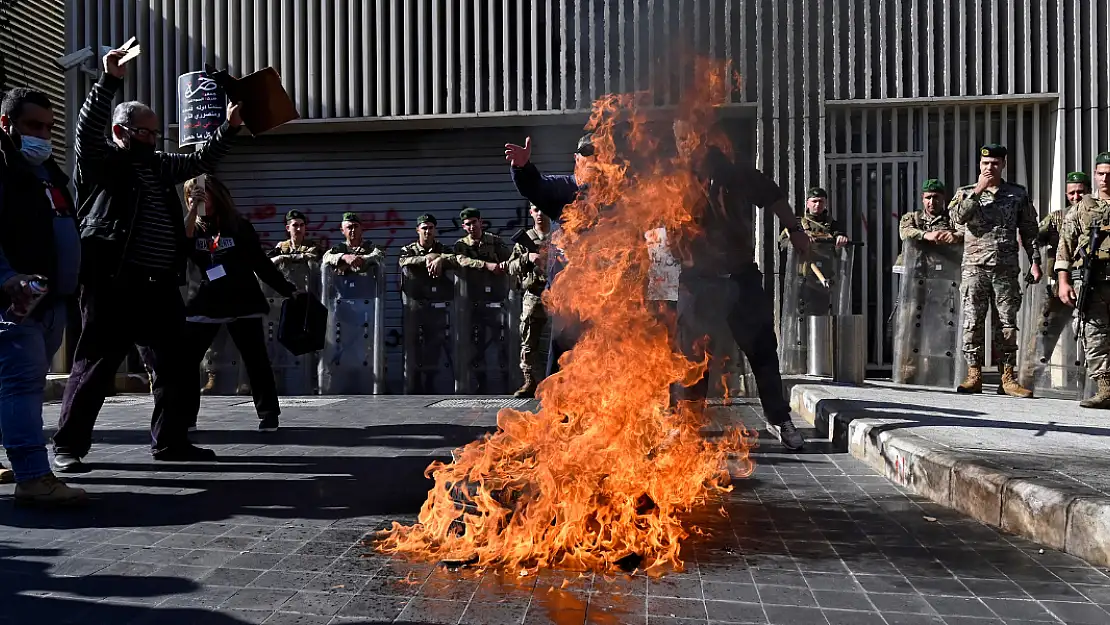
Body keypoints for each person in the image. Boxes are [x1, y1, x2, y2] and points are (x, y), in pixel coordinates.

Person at [52, 48, 242, 471]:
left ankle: (171, 440)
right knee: (96, 363)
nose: (154, 140)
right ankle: (68, 445)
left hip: (159, 284)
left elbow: (199, 161)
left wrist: (227, 130)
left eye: (157, 134)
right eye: (146, 132)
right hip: (113, 282)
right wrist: (108, 82)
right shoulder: (103, 163)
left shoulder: (156, 165)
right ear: (122, 131)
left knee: (176, 363)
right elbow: (85, 129)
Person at [671, 119, 811, 450]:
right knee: (690, 355)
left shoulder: (734, 172)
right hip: (697, 280)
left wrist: (795, 229)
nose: (683, 145)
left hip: (740, 276)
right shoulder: (672, 179)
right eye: (678, 139)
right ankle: (684, 424)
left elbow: (773, 196)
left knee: (762, 350)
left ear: (702, 137)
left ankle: (779, 418)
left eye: (688, 137)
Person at [0, 87, 87, 504]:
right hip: (15, 302)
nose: (43, 135)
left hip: (52, 300)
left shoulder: (50, 174)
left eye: (49, 127)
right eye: (33, 126)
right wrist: (6, 275)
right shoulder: (2, 170)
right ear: (7, 125)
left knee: (13, 385)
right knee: (22, 386)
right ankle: (33, 477)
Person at [180, 174, 297, 431]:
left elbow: (261, 263)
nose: (195, 197)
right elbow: (180, 246)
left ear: (215, 195)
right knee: (188, 362)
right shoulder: (189, 226)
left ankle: (268, 414)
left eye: (200, 193)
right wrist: (191, 212)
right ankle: (186, 418)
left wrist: (287, 289)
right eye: (190, 194)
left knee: (256, 359)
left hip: (241, 301)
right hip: (203, 304)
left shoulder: (238, 226)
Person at [950, 144, 1041, 396]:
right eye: (985, 163)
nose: (990, 167)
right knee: (972, 322)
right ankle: (974, 374)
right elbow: (957, 218)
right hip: (974, 268)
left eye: (995, 163)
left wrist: (1035, 261)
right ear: (979, 165)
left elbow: (1029, 231)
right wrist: (978, 190)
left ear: (1003, 164)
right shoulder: (965, 192)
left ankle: (1007, 377)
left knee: (1007, 323)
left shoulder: (1017, 194)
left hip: (1005, 268)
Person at [890, 179, 964, 380]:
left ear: (943, 199)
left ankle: (936, 371)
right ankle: (908, 370)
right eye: (928, 198)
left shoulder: (952, 219)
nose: (932, 202)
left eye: (936, 198)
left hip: (942, 281)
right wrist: (927, 235)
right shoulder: (912, 217)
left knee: (939, 328)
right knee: (910, 325)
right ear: (923, 199)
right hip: (915, 280)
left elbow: (966, 234)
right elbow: (905, 232)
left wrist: (953, 236)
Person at [1057, 153, 1110, 407]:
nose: (1105, 178)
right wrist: (1064, 281)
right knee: (1094, 333)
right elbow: (1064, 246)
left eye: (1109, 173)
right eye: (1100, 173)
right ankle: (1105, 387)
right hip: (1093, 281)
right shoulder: (1081, 208)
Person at [505, 204, 555, 398]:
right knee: (528, 340)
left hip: (556, 296)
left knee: (557, 342)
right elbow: (511, 267)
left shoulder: (560, 238)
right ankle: (530, 382)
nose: (540, 213)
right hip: (533, 295)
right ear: (531, 213)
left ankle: (558, 382)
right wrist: (528, 257)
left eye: (543, 209)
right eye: (536, 209)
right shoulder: (525, 240)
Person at [778, 187, 849, 250]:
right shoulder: (797, 224)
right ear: (807, 203)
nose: (818, 204)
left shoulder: (834, 225)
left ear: (825, 203)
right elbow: (782, 243)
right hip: (803, 263)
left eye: (821, 201)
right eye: (814, 201)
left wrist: (841, 237)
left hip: (827, 263)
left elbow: (842, 238)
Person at [398, 213, 456, 278]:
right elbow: (403, 261)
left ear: (434, 229)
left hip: (439, 286)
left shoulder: (443, 248)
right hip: (416, 286)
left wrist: (440, 259)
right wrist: (425, 259)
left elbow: (455, 259)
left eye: (431, 228)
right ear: (418, 230)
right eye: (424, 228)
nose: (428, 231)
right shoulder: (409, 250)